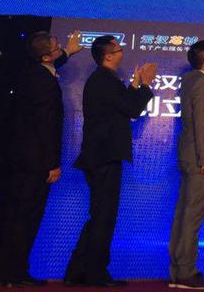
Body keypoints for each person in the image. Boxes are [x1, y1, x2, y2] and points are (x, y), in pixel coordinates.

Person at [64, 36, 156, 288]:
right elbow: (131, 109)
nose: (122, 52)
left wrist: (135, 85)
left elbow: (122, 105)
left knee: (99, 216)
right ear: (108, 56)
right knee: (103, 217)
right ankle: (95, 274)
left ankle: (79, 271)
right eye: (118, 48)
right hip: (104, 156)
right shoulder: (103, 80)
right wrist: (145, 85)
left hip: (102, 155)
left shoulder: (105, 80)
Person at [0, 30, 83, 286]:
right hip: (35, 162)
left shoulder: (32, 73)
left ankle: (9, 272)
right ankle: (13, 274)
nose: (60, 48)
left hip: (22, 159)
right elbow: (47, 126)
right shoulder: (44, 82)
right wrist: (52, 164)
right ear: (45, 56)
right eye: (57, 47)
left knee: (19, 216)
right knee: (26, 218)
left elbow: (53, 63)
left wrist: (68, 52)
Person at [169, 40, 204, 290]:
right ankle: (186, 272)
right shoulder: (201, 83)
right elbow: (201, 123)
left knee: (185, 213)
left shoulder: (190, 80)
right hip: (198, 160)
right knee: (192, 215)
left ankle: (178, 269)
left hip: (189, 156)